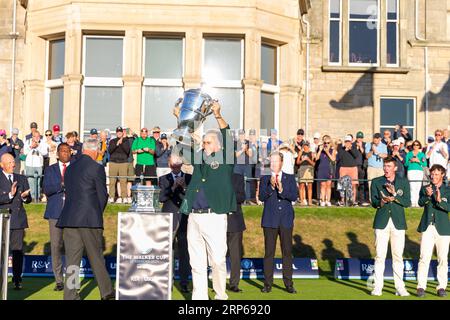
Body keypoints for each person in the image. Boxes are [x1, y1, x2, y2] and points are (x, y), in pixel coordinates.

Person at [173, 100, 235, 300]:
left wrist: (217, 114)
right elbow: (183, 143)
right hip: (194, 216)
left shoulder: (225, 158)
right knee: (196, 262)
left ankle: (220, 295)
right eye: (204, 142)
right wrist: (179, 119)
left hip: (214, 215)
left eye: (207, 142)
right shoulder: (199, 158)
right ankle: (199, 298)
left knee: (217, 260)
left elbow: (228, 136)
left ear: (217, 145)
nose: (204, 144)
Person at [56, 138, 114, 300]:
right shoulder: (97, 168)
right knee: (96, 257)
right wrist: (97, 212)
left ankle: (71, 295)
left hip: (69, 219)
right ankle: (107, 292)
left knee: (73, 262)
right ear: (95, 151)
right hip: (89, 219)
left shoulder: (70, 168)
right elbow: (102, 195)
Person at [370, 156, 411, 297]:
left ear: (395, 168)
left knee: (398, 256)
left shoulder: (403, 182)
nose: (386, 169)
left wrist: (394, 195)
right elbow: (374, 202)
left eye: (389, 166)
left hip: (398, 223)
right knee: (380, 256)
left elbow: (407, 202)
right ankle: (377, 287)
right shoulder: (376, 182)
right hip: (381, 222)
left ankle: (400, 287)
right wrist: (382, 201)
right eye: (385, 166)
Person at [258, 151, 298, 294]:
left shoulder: (290, 178)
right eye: (272, 161)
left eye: (276, 161)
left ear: (281, 162)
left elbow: (294, 195)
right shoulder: (264, 179)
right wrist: (270, 187)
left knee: (287, 253)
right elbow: (261, 197)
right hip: (270, 220)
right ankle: (267, 284)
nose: (273, 164)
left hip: (286, 220)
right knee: (269, 253)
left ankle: (288, 283)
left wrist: (281, 189)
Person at [158, 154, 192, 294]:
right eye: (174, 164)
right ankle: (167, 282)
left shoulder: (189, 177)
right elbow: (161, 198)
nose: (176, 167)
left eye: (178, 164)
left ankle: (184, 283)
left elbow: (193, 197)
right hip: (169, 217)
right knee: (168, 251)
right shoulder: (163, 178)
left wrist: (184, 188)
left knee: (184, 252)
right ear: (169, 164)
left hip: (184, 218)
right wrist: (172, 188)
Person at [416, 164, 450, 298]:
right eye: (432, 174)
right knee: (424, 257)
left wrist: (439, 200)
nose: (433, 176)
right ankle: (421, 287)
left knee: (442, 258)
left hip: (443, 228)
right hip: (427, 227)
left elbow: (448, 207)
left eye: (436, 174)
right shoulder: (425, 188)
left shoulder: (447, 190)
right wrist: (428, 196)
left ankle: (441, 286)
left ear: (442, 175)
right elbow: (420, 202)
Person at [42, 143, 72, 291]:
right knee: (56, 246)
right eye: (63, 151)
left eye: (68, 151)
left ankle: (72, 282)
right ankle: (59, 280)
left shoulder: (75, 168)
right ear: (58, 153)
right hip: (55, 212)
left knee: (73, 247)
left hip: (73, 213)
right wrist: (61, 185)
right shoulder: (50, 169)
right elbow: (46, 188)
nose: (66, 153)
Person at [0, 153, 32, 290]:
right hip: (2, 219)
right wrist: (10, 195)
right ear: (2, 165)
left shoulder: (21, 178)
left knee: (17, 251)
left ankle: (17, 278)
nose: (12, 165)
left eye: (13, 162)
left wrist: (25, 197)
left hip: (18, 220)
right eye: (9, 162)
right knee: (1, 252)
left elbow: (28, 199)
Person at [227, 173, 246, 293]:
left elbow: (241, 197)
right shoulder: (214, 176)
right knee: (217, 256)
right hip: (216, 221)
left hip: (235, 221)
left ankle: (234, 284)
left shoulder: (238, 178)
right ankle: (217, 283)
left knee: (235, 255)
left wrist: (228, 195)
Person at [107, 126, 131, 204]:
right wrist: (117, 144)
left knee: (123, 181)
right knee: (112, 181)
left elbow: (127, 151)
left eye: (120, 132)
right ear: (116, 133)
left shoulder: (126, 141)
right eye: (118, 132)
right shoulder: (112, 141)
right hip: (113, 162)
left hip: (123, 163)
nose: (119, 133)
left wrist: (122, 143)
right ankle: (111, 197)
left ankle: (124, 197)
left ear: (122, 133)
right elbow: (110, 151)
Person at [24, 130, 48, 201]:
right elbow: (25, 152)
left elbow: (45, 153)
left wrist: (38, 146)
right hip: (29, 165)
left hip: (39, 165)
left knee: (38, 182)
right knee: (30, 181)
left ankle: (37, 197)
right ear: (32, 136)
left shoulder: (42, 143)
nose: (37, 138)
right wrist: (31, 146)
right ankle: (32, 197)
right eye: (35, 136)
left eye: (38, 136)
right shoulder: (27, 142)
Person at [337, 135, 359, 205]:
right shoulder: (341, 149)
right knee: (342, 185)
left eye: (348, 141)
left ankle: (353, 200)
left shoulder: (354, 148)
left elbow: (356, 155)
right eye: (346, 141)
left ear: (351, 142)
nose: (347, 143)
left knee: (353, 185)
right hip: (343, 168)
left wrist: (350, 149)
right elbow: (339, 157)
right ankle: (343, 200)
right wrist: (345, 150)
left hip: (353, 168)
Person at [404, 140, 427, 207]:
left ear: (419, 146)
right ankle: (412, 202)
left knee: (418, 187)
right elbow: (405, 164)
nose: (415, 146)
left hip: (419, 171)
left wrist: (418, 161)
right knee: (412, 187)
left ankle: (416, 203)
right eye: (414, 144)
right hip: (411, 171)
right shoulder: (409, 154)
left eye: (417, 145)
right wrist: (411, 161)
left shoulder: (421, 154)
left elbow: (425, 164)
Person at [316, 135, 336, 207]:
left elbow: (333, 159)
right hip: (321, 169)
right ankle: (323, 200)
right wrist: (320, 150)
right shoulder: (321, 150)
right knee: (322, 185)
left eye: (328, 143)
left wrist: (327, 152)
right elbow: (316, 158)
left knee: (328, 185)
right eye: (325, 143)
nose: (326, 144)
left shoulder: (332, 150)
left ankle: (328, 200)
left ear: (330, 143)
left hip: (329, 169)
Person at [366, 133, 388, 197]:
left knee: (381, 184)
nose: (375, 139)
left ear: (380, 139)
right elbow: (367, 156)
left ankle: (381, 199)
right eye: (374, 138)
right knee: (371, 184)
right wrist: (372, 150)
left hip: (380, 168)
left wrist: (377, 153)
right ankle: (372, 200)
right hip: (371, 168)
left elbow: (385, 156)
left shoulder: (383, 146)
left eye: (377, 138)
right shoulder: (368, 145)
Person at [234, 129, 253, 202]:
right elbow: (236, 155)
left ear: (245, 135)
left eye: (243, 134)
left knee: (248, 181)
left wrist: (246, 149)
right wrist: (242, 149)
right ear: (238, 135)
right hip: (238, 165)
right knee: (237, 182)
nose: (242, 136)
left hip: (247, 165)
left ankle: (248, 199)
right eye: (240, 134)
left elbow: (250, 154)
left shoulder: (248, 142)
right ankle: (238, 199)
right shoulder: (235, 143)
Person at [296, 141, 315, 206]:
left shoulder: (311, 153)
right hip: (302, 168)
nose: (305, 147)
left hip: (310, 169)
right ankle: (302, 201)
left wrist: (308, 160)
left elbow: (313, 164)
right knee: (302, 185)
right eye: (304, 145)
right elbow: (297, 162)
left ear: (309, 146)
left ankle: (309, 201)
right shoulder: (301, 152)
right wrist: (303, 160)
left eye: (307, 145)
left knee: (310, 186)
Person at [255, 136, 270, 205]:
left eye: (265, 143)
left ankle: (264, 198)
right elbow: (257, 160)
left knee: (265, 185)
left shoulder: (269, 151)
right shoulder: (258, 151)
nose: (264, 144)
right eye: (263, 143)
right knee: (258, 185)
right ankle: (258, 199)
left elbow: (269, 160)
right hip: (259, 169)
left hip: (266, 170)